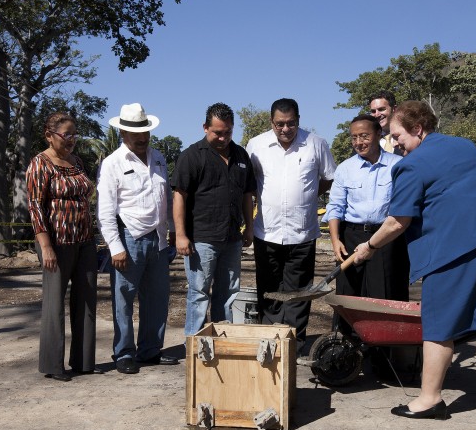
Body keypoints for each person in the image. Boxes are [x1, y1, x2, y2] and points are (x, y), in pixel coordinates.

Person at [353, 101, 476, 419]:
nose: (394, 143)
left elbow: (398, 221)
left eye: (397, 135)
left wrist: (368, 246)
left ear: (418, 129)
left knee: (439, 322)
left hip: (456, 247)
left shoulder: (410, 165)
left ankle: (429, 399)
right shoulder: (465, 146)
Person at [246, 98, 336, 357]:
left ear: (299, 120)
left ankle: (295, 342)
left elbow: (329, 178)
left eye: (291, 123)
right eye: (280, 124)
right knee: (270, 289)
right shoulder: (256, 145)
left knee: (298, 290)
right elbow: (249, 183)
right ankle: (271, 341)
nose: (285, 129)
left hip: (302, 232)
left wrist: (309, 196)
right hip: (268, 231)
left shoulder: (316, 144)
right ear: (271, 122)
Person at [96, 103, 178, 375]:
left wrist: (172, 233)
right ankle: (124, 353)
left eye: (145, 133)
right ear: (123, 133)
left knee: (157, 299)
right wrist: (115, 247)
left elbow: (165, 200)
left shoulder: (158, 158)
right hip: (128, 238)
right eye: (136, 134)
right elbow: (105, 211)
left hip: (158, 238)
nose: (142, 138)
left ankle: (150, 350)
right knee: (124, 299)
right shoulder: (112, 164)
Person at [171, 102, 256, 337]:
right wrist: (180, 234)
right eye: (217, 132)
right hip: (202, 239)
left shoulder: (240, 155)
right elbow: (179, 196)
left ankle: (221, 343)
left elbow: (248, 194)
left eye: (228, 132)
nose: (223, 137)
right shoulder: (191, 156)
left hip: (231, 237)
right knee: (199, 293)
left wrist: (249, 227)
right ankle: (195, 345)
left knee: (228, 293)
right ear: (205, 127)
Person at [27, 112, 100, 382]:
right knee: (54, 304)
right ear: (49, 135)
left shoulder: (77, 162)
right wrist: (45, 246)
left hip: (85, 241)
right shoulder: (40, 164)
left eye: (74, 135)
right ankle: (53, 365)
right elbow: (35, 207)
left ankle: (83, 361)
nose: (71, 140)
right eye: (65, 135)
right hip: (56, 243)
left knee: (86, 300)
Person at [324, 114, 409, 304]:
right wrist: (335, 240)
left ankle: (385, 333)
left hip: (386, 239)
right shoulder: (345, 168)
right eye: (354, 137)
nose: (358, 142)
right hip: (351, 236)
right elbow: (335, 207)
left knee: (385, 294)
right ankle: (348, 334)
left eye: (364, 136)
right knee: (349, 294)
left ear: (379, 133)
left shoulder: (398, 166)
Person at [368, 90, 403, 156]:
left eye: (381, 109)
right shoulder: (367, 140)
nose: (377, 114)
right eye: (373, 111)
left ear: (394, 109)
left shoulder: (409, 135)